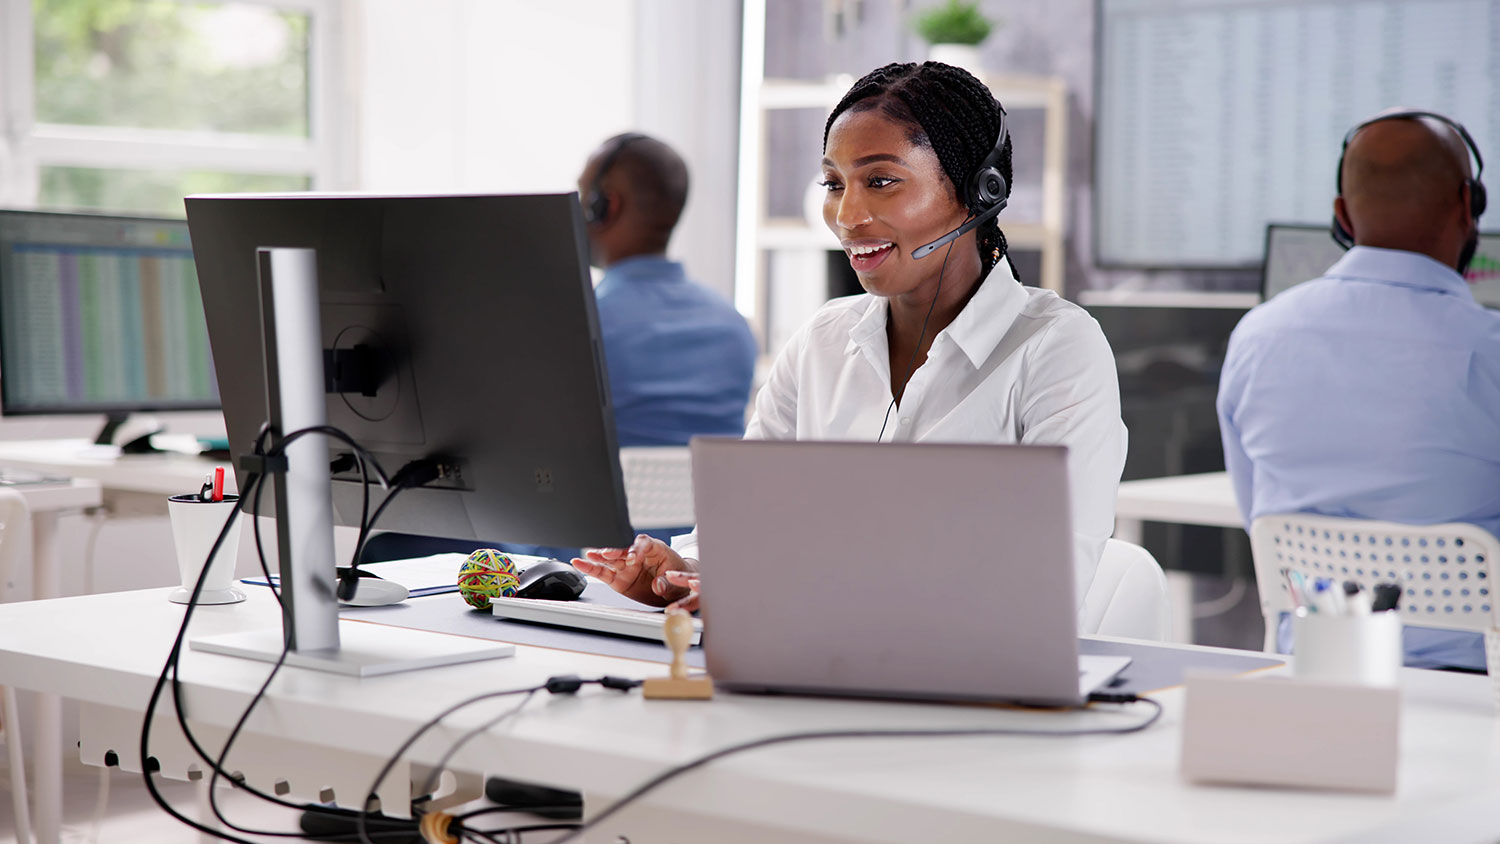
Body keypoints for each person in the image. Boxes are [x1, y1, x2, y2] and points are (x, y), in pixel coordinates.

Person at [574, 62, 1128, 613]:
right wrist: (685, 576)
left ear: (977, 191)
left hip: (969, 690)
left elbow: (1042, 584)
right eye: (834, 184)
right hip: (807, 671)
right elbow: (740, 534)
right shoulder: (821, 342)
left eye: (881, 181)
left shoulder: (1056, 349)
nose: (846, 215)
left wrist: (790, 585)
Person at [1217, 109, 1500, 670]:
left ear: (1341, 215)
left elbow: (1259, 517)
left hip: (1316, 670)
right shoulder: (1490, 351)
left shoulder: (1258, 336)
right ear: (1470, 206)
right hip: (1478, 685)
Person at [578, 132, 758, 447]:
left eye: (582, 196)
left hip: (617, 496)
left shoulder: (583, 323)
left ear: (606, 206)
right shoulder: (734, 326)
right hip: (719, 496)